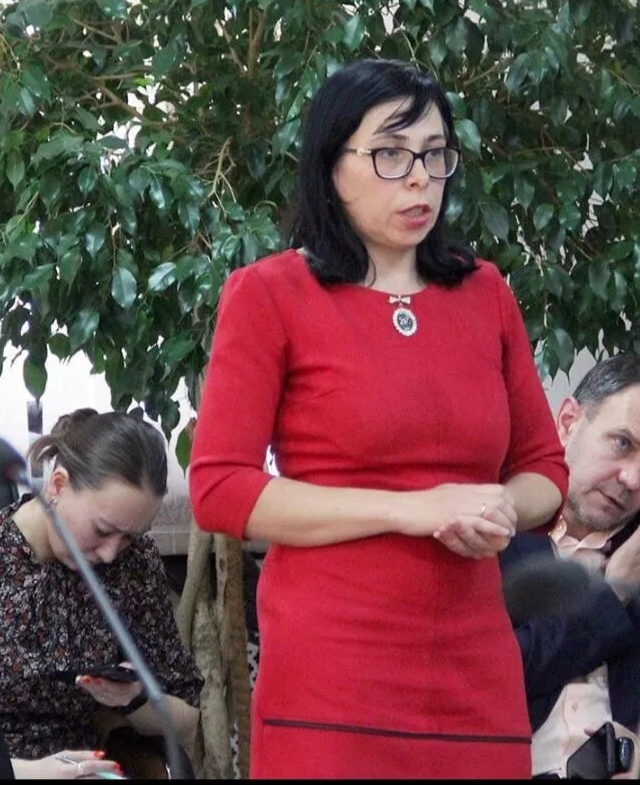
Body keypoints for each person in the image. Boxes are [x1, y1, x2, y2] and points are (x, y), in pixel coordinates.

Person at [188, 57, 570, 779]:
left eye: (435, 154)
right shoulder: (270, 294)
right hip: (333, 672)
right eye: (391, 155)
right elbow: (221, 488)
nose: (420, 179)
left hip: (474, 667)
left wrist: (497, 505)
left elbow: (546, 471)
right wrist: (411, 509)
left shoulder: (485, 292)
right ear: (332, 166)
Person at [0, 409, 202, 779]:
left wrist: (134, 699)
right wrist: (32, 772)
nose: (110, 553)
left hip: (91, 770)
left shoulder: (133, 565)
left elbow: (186, 719)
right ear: (57, 486)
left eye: (130, 537)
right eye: (102, 530)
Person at [497, 354, 640, 779]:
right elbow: (497, 675)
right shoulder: (498, 515)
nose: (633, 480)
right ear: (568, 422)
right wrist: (610, 596)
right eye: (623, 444)